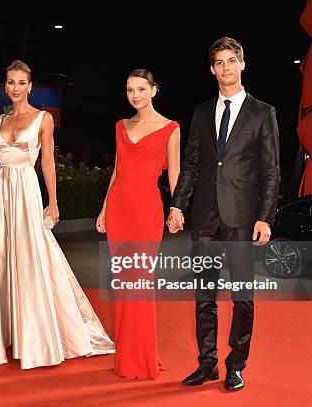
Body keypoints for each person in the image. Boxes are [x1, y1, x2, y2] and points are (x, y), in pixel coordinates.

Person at [0, 60, 114, 369]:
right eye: (11, 82)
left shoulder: (43, 119)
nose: (16, 88)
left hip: (25, 188)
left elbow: (47, 162)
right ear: (5, 86)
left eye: (22, 83)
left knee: (31, 256)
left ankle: (35, 335)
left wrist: (53, 202)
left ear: (30, 86)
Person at [167, 37, 280, 391]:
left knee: (242, 295)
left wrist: (265, 216)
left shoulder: (263, 112)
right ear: (212, 68)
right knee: (204, 294)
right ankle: (207, 363)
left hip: (243, 217)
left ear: (242, 64)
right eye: (219, 62)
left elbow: (271, 170)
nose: (225, 68)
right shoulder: (201, 111)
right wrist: (177, 204)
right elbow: (192, 164)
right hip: (204, 217)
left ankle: (236, 365)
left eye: (231, 61)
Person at [96, 69, 181, 379]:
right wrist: (104, 209)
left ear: (154, 90)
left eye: (141, 88)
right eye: (130, 89)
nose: (135, 95)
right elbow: (117, 172)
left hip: (147, 212)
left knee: (140, 282)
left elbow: (175, 175)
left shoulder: (171, 129)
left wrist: (178, 208)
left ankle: (140, 357)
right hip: (119, 209)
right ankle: (127, 355)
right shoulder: (121, 126)